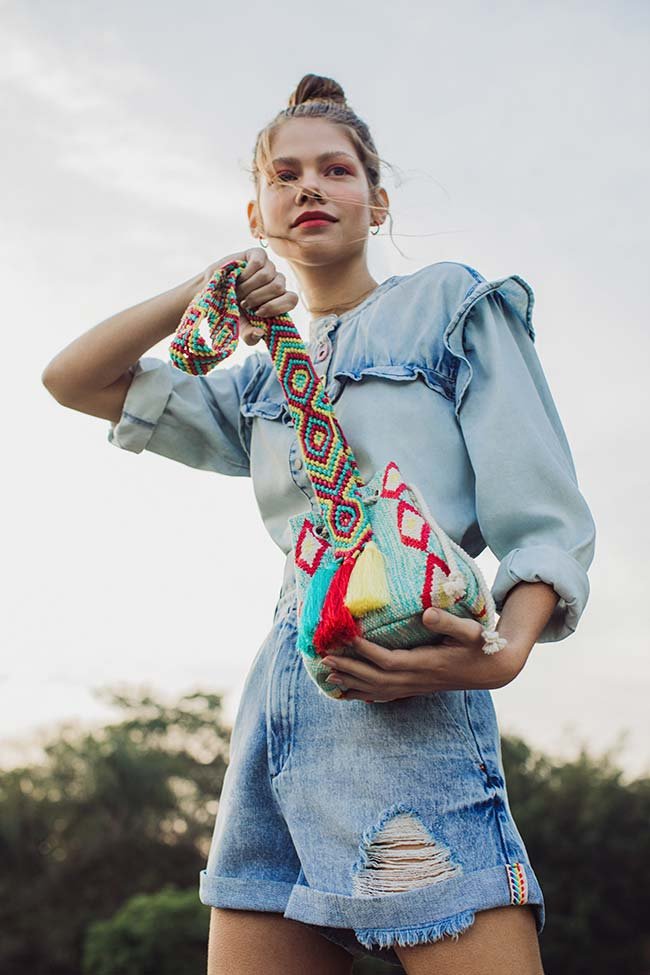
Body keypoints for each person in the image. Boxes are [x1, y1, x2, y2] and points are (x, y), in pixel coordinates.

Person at [41, 73, 596, 975]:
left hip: (405, 687)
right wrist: (203, 288)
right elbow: (73, 380)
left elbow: (544, 516)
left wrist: (504, 654)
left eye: (336, 170)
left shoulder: (449, 304)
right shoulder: (259, 380)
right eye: (285, 175)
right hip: (283, 698)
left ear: (377, 200)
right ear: (257, 213)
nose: (310, 187)